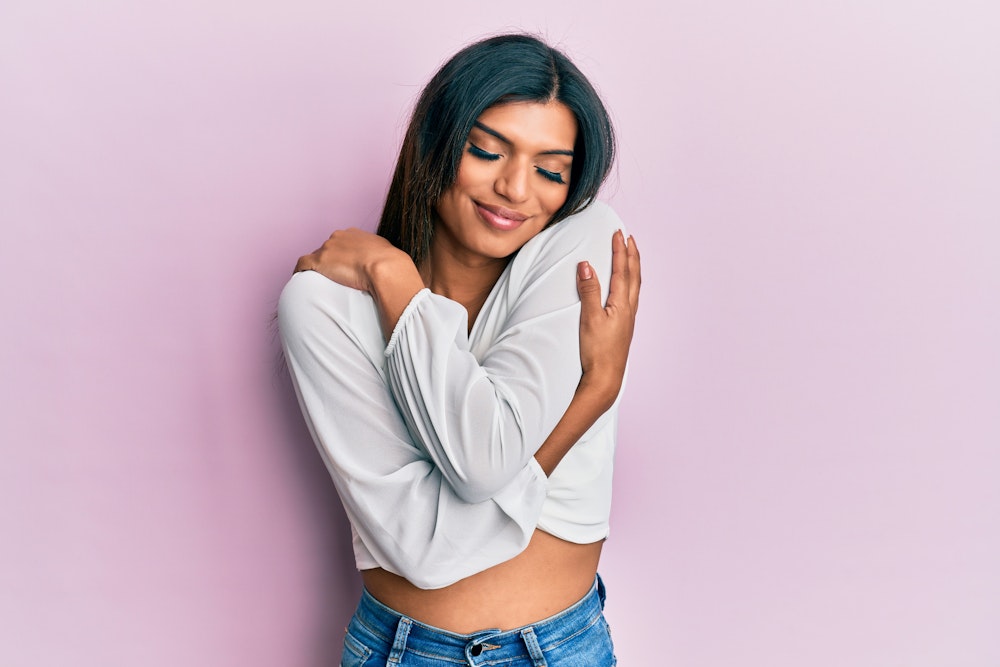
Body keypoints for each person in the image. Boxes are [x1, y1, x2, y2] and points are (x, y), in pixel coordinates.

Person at [278, 33, 640, 666]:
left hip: (564, 648)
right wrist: (591, 397)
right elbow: (427, 549)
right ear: (436, 144)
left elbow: (484, 462)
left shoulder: (583, 250)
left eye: (551, 170)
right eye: (486, 151)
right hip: (406, 652)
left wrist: (395, 281)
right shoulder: (323, 306)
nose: (516, 188)